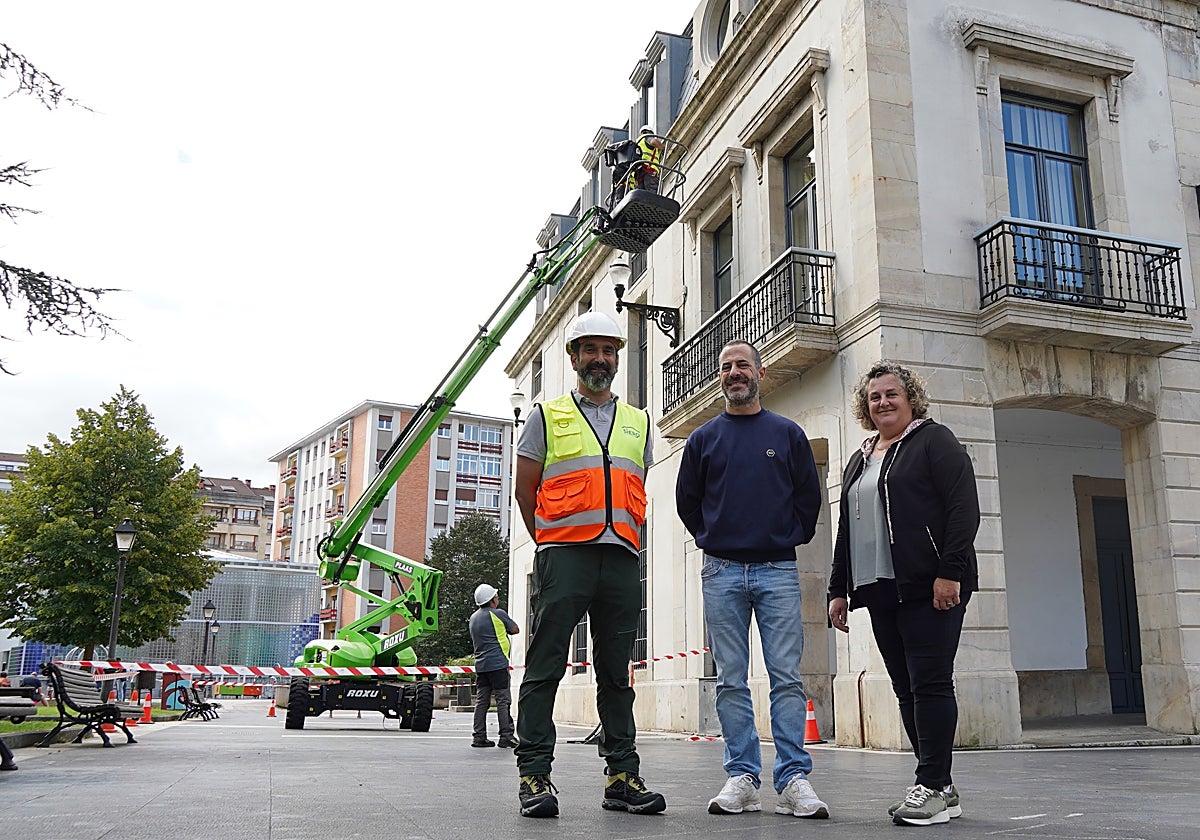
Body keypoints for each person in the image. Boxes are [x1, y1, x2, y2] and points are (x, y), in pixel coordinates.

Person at [512, 310, 664, 819]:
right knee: (546, 663)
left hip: (621, 557)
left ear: (618, 357)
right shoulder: (546, 415)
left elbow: (635, 484)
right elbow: (525, 490)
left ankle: (622, 775)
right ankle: (534, 773)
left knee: (616, 672)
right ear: (573, 357)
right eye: (590, 350)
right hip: (565, 557)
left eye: (609, 350)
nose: (601, 358)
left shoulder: (638, 421)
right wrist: (550, 543)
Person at [675, 339, 829, 819]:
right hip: (720, 571)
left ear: (760, 374)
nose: (734, 372)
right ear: (719, 377)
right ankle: (742, 776)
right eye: (726, 367)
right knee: (731, 680)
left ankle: (792, 780)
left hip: (777, 569)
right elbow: (687, 501)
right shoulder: (703, 438)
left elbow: (809, 497)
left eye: (743, 364)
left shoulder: (787, 434)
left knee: (785, 677)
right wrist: (712, 535)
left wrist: (786, 537)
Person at [827, 360, 980, 827]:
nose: (883, 402)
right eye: (874, 397)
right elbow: (845, 529)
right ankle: (940, 786)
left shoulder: (934, 440)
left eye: (891, 394)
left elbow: (963, 507)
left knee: (930, 682)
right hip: (878, 588)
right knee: (905, 688)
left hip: (931, 585)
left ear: (910, 397)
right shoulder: (861, 456)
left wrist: (949, 571)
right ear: (865, 406)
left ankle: (931, 785)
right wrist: (838, 587)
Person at [469, 582, 519, 749]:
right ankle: (506, 737)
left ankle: (479, 737)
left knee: (481, 702)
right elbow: (515, 629)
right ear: (492, 600)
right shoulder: (498, 613)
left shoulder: (473, 618)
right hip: (498, 664)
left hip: (481, 667)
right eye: (496, 597)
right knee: (503, 701)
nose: (498, 599)